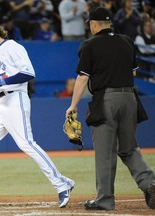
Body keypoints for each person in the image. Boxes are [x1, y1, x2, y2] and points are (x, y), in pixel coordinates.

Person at [0, 18, 75, 209]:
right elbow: (5, 79)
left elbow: (29, 73)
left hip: (15, 100)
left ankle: (62, 184)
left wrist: (2, 85)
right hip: (3, 103)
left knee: (27, 144)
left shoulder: (12, 46)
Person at [65, 7, 155, 211]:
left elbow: (82, 78)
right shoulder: (127, 41)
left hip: (106, 99)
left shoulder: (89, 45)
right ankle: (150, 184)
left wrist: (73, 105)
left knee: (105, 152)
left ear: (93, 24)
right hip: (130, 98)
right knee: (129, 148)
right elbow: (132, 74)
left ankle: (104, 200)